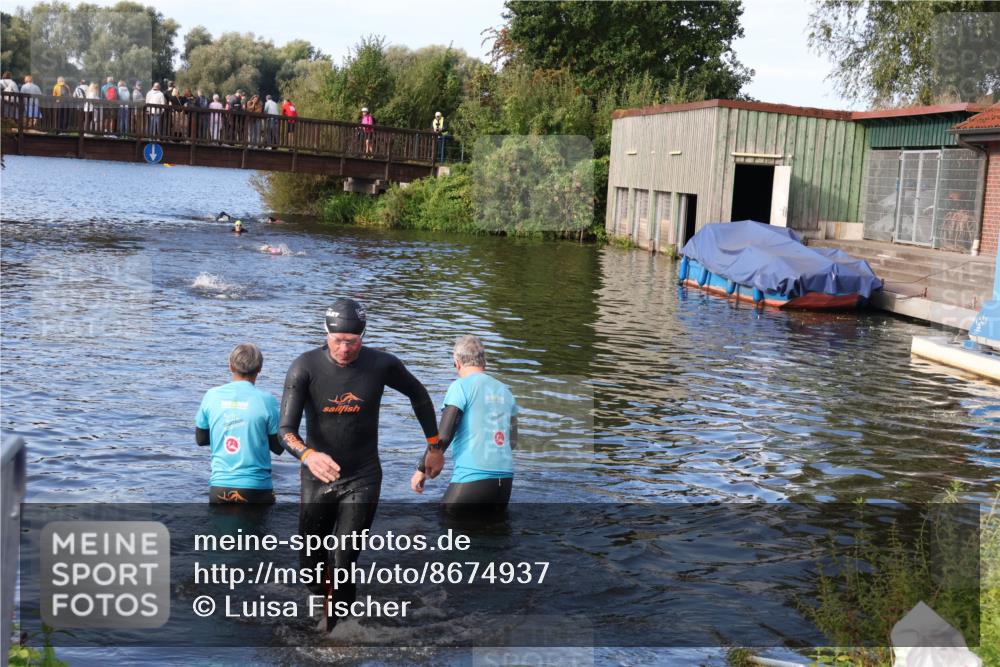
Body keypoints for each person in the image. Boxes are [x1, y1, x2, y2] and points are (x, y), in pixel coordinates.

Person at [279, 298, 439, 630]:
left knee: (343, 559)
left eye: (352, 342)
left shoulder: (381, 365)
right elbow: (285, 431)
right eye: (337, 341)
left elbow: (419, 395)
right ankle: (325, 607)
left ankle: (337, 633)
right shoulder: (304, 367)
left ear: (363, 337)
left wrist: (434, 446)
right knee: (311, 568)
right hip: (317, 477)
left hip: (362, 475)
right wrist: (308, 455)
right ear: (326, 334)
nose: (344, 348)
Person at [411, 335, 518, 514]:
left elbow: (444, 436)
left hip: (471, 482)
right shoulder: (506, 392)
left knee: (445, 534)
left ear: (457, 362)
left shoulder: (460, 387)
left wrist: (421, 470)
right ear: (484, 362)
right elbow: (512, 442)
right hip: (504, 485)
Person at [195, 343, 282, 504]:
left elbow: (201, 440)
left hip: (219, 488)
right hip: (256, 489)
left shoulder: (211, 396)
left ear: (230, 365)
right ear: (259, 368)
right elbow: (278, 448)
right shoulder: (267, 400)